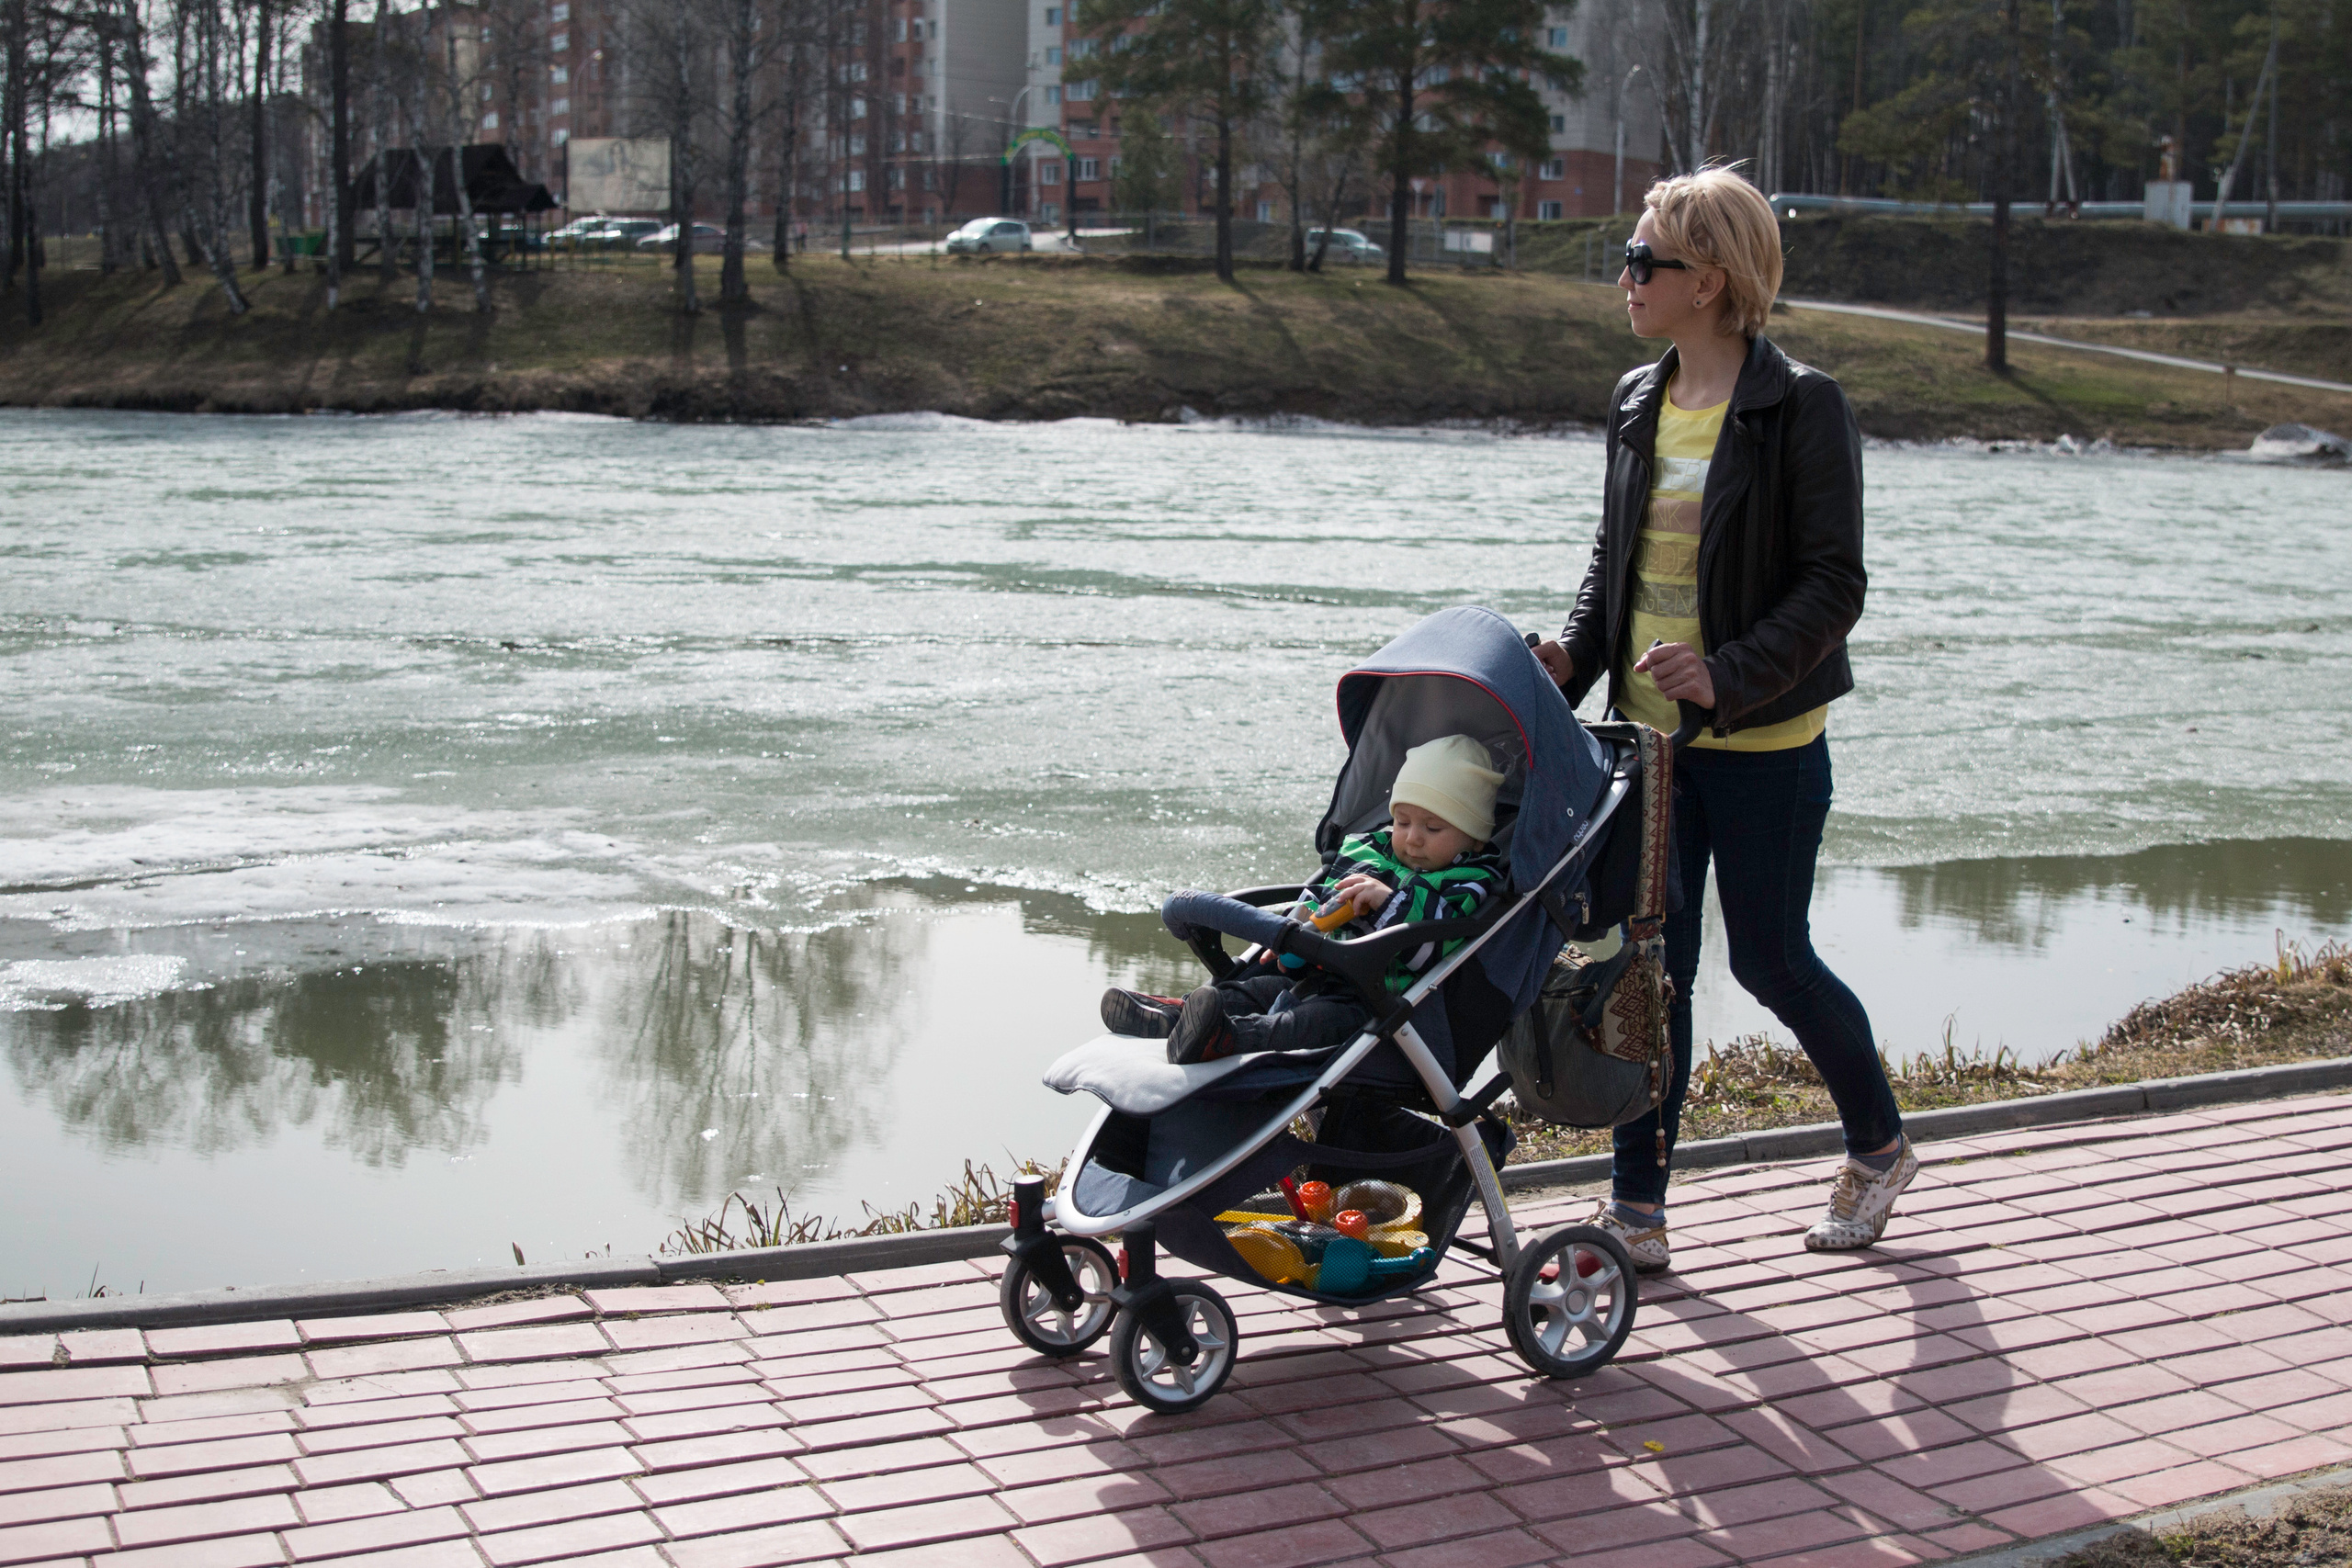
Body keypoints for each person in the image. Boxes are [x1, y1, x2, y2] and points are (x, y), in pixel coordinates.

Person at [1530, 166, 1915, 1269]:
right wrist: (1573, 653)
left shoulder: (1801, 406)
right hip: (1646, 744)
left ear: (1708, 278)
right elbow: (1618, 559)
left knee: (1772, 960)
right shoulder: (1636, 397)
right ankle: (1637, 1209)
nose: (1625, 277)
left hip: (1763, 743)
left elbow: (1833, 584)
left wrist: (1729, 672)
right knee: (1652, 972)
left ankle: (1879, 1145)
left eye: (1644, 260)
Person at [1104, 734, 1507, 1066]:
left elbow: (1433, 949)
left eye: (1433, 828)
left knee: (1307, 1022)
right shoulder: (1371, 849)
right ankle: (1173, 1016)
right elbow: (1321, 894)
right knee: (1255, 988)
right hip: (1313, 966)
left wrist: (1388, 902)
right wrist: (1293, 924)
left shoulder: (1468, 881)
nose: (1413, 838)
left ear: (1472, 836)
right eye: (1402, 822)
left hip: (1372, 998)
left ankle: (1228, 1038)